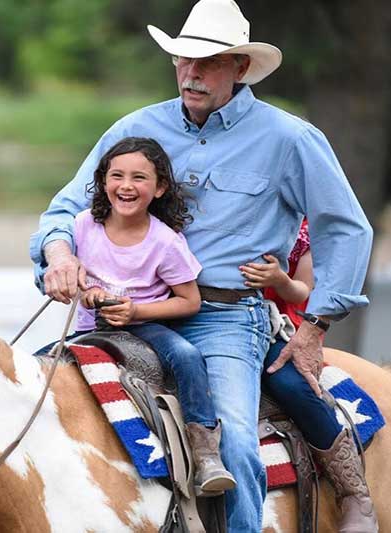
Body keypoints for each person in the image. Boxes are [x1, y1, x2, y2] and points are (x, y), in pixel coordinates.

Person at [29, 0, 374, 531]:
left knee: (234, 438)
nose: (192, 72)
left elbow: (347, 229)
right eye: (184, 59)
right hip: (120, 308)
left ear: (240, 68)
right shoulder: (136, 127)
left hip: (226, 316)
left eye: (209, 62)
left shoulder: (290, 139)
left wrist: (316, 324)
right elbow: (67, 207)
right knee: (34, 400)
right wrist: (58, 254)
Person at [75, 136, 236, 494]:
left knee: (186, 355)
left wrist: (136, 311)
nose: (126, 186)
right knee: (38, 366)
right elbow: (75, 283)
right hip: (91, 328)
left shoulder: (165, 242)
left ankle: (205, 450)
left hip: (145, 326)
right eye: (117, 176)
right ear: (103, 181)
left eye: (139, 178)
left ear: (160, 187)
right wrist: (88, 296)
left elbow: (189, 301)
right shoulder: (84, 225)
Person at [241, 220, 378, 533]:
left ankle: (353, 490)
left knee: (288, 384)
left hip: (277, 327)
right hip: (209, 318)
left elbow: (303, 288)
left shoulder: (299, 229)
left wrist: (278, 279)